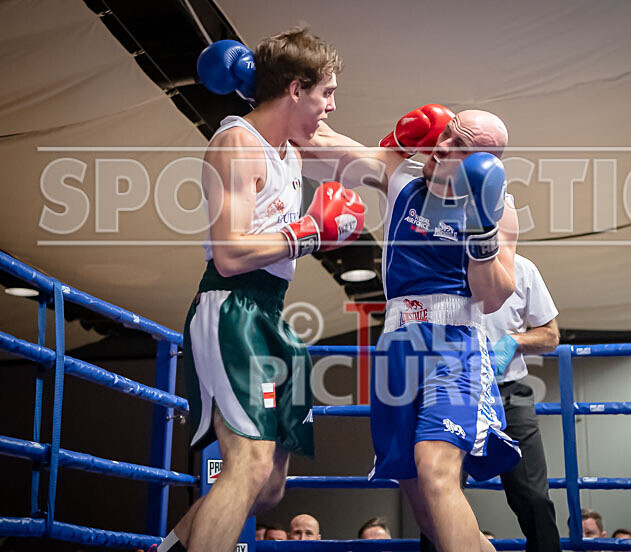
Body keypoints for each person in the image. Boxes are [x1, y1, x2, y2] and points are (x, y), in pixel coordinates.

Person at [154, 29, 364, 552]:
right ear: (296, 89)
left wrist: (428, 162)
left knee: (267, 485)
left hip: (271, 313)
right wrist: (309, 233)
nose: (332, 106)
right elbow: (228, 253)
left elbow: (365, 161)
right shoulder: (236, 144)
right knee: (246, 463)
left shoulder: (290, 149)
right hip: (230, 307)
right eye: (327, 93)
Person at [302, 106, 520, 552]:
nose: (442, 145)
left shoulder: (500, 210)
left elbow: (493, 296)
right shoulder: (403, 175)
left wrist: (482, 233)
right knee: (424, 507)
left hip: (454, 345)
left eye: (461, 146)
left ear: (487, 164)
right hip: (396, 347)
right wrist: (263, 89)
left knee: (437, 471)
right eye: (449, 134)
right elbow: (319, 143)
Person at [420, 253, 560, 552]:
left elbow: (551, 335)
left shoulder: (523, 268)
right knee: (439, 490)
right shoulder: (441, 263)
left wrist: (514, 341)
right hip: (454, 391)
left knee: (533, 496)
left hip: (509, 392)